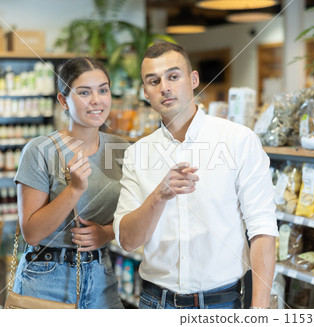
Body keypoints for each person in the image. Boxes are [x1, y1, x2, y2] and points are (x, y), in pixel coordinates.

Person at [113, 42, 278, 309]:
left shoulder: (238, 140)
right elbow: (129, 241)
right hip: (155, 303)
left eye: (173, 76)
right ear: (145, 92)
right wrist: (158, 196)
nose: (164, 87)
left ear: (193, 79)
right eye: (153, 81)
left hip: (222, 303)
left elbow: (263, 230)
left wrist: (259, 310)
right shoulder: (137, 153)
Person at [13, 57, 128, 309]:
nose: (96, 100)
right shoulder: (40, 150)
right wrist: (74, 189)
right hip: (47, 277)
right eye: (84, 92)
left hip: (102, 273)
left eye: (103, 90)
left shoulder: (120, 149)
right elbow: (31, 233)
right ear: (63, 100)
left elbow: (132, 212)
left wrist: (107, 233)